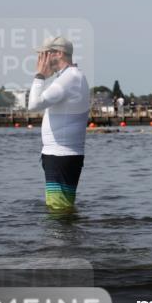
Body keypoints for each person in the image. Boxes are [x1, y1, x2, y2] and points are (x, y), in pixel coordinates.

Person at [28, 36, 90, 213]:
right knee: (60, 209)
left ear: (59, 54)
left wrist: (39, 76)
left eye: (44, 54)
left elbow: (33, 105)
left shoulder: (69, 78)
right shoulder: (71, 76)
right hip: (60, 155)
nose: (41, 60)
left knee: (58, 212)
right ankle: (67, 240)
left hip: (61, 156)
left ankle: (62, 241)